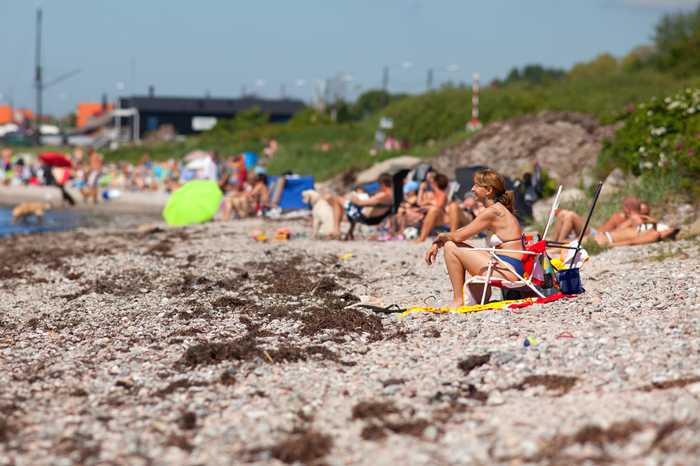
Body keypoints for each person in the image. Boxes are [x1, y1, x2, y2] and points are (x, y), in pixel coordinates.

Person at [425, 169, 524, 308]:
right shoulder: (497, 209)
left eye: (476, 185)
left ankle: (458, 300)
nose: (472, 189)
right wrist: (438, 242)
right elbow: (464, 231)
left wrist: (440, 237)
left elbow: (459, 236)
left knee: (451, 247)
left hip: (509, 271)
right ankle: (475, 298)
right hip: (510, 267)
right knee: (456, 244)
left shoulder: (493, 212)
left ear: (488, 190)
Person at [326, 173, 394, 239]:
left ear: (383, 184)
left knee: (337, 199)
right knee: (352, 206)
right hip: (373, 218)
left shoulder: (383, 196)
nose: (379, 187)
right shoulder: (393, 196)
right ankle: (350, 232)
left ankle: (336, 230)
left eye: (379, 184)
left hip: (365, 218)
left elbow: (360, 203)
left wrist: (353, 197)